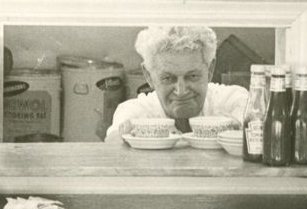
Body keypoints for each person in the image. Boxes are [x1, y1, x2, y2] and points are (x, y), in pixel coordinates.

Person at [105, 26, 249, 143]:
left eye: (192, 76)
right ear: (148, 76)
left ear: (210, 70)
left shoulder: (232, 101)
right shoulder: (136, 111)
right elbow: (112, 144)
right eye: (168, 78)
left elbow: (251, 124)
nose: (181, 91)